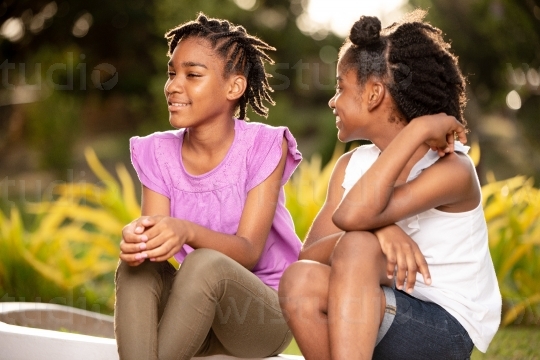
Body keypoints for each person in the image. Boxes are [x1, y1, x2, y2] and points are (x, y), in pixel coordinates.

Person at [278, 10, 501, 360]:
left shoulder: (452, 168)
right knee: (298, 281)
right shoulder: (350, 165)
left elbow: (353, 216)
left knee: (357, 245)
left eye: (341, 87)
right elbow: (310, 255)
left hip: (442, 329)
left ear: (373, 94)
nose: (332, 100)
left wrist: (416, 132)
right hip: (370, 315)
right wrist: (381, 231)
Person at [114, 13, 302, 360]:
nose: (172, 86)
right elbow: (157, 246)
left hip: (258, 318)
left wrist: (185, 230)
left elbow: (248, 251)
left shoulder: (264, 145)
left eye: (192, 75)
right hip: (194, 318)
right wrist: (139, 239)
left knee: (205, 263)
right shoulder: (157, 150)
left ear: (234, 87)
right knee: (137, 267)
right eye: (171, 73)